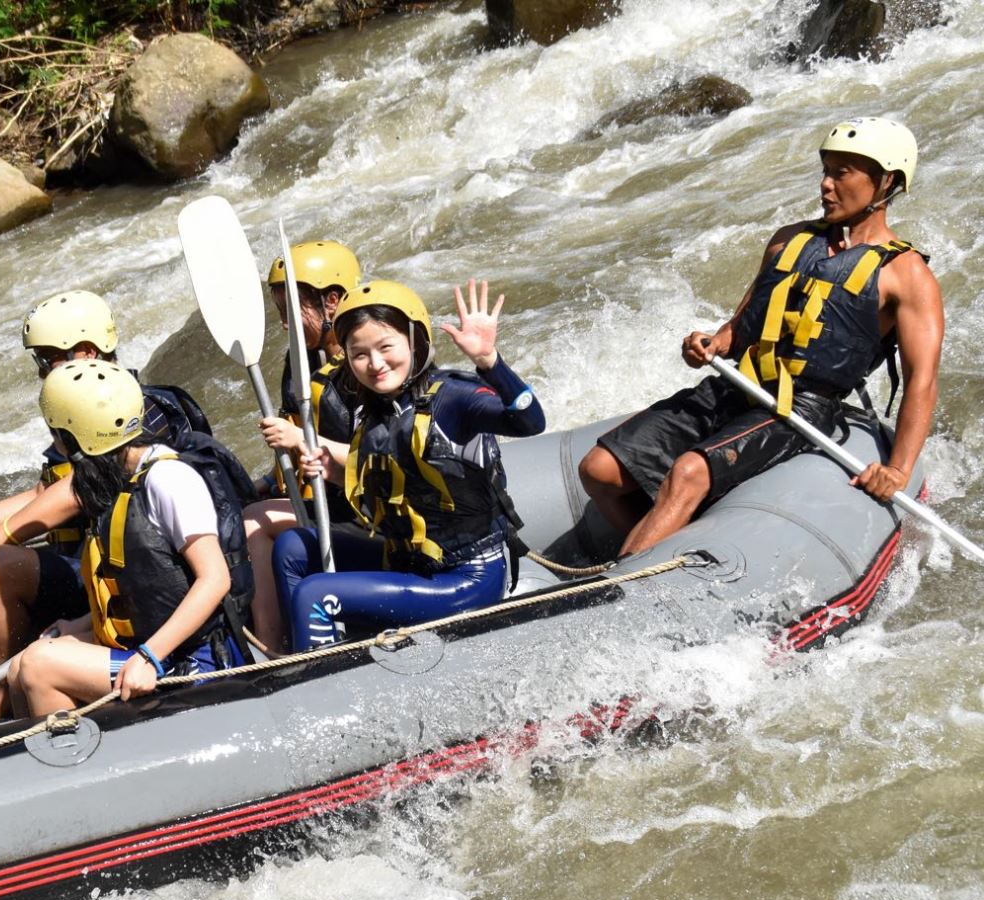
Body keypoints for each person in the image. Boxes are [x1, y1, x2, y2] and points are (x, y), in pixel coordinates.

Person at [578, 116, 945, 557]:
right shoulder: (788, 241)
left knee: (689, 472)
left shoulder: (907, 275)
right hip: (740, 386)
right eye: (825, 171)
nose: (826, 185)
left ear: (886, 181)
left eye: (841, 173)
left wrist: (898, 470)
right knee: (598, 469)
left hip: (801, 409)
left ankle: (622, 580)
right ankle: (662, 552)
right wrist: (713, 343)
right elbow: (739, 327)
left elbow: (922, 381)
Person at [0, 291, 208, 716]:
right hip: (88, 565)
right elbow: (44, 492)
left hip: (131, 580)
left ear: (85, 352)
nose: (40, 372)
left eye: (45, 359)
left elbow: (76, 491)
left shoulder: (136, 417)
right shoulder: (77, 406)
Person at [272, 279, 545, 652]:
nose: (375, 364)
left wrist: (489, 361)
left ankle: (315, 674)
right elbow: (391, 492)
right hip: (408, 563)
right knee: (292, 546)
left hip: (467, 577)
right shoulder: (374, 411)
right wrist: (332, 472)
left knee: (315, 594)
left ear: (415, 342)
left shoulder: (454, 398)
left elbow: (531, 422)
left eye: (386, 347)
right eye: (359, 354)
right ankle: (304, 652)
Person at [7, 360, 244, 717]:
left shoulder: (168, 480)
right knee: (20, 666)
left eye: (57, 433)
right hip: (146, 647)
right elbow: (138, 585)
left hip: (191, 661)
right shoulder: (120, 480)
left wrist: (150, 657)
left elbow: (215, 579)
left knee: (39, 666)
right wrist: (80, 625)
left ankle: (74, 750)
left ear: (76, 437)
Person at [240, 240, 364, 654]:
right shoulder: (302, 363)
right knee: (248, 508)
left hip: (364, 509)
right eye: (279, 312)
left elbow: (373, 454)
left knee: (253, 523)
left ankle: (271, 644)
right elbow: (299, 437)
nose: (283, 325)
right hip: (326, 499)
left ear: (333, 302)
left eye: (291, 312)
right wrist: (266, 481)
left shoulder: (365, 368)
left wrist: (299, 441)